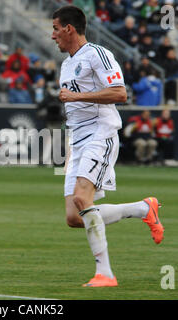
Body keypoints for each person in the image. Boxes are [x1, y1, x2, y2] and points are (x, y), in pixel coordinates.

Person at [51, 5, 164, 288]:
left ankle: (106, 274)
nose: (52, 35)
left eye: (55, 28)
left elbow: (120, 92)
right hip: (77, 141)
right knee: (74, 217)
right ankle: (143, 209)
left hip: (100, 135)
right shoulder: (67, 63)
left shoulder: (99, 54)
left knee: (82, 200)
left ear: (69, 28)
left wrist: (77, 96)